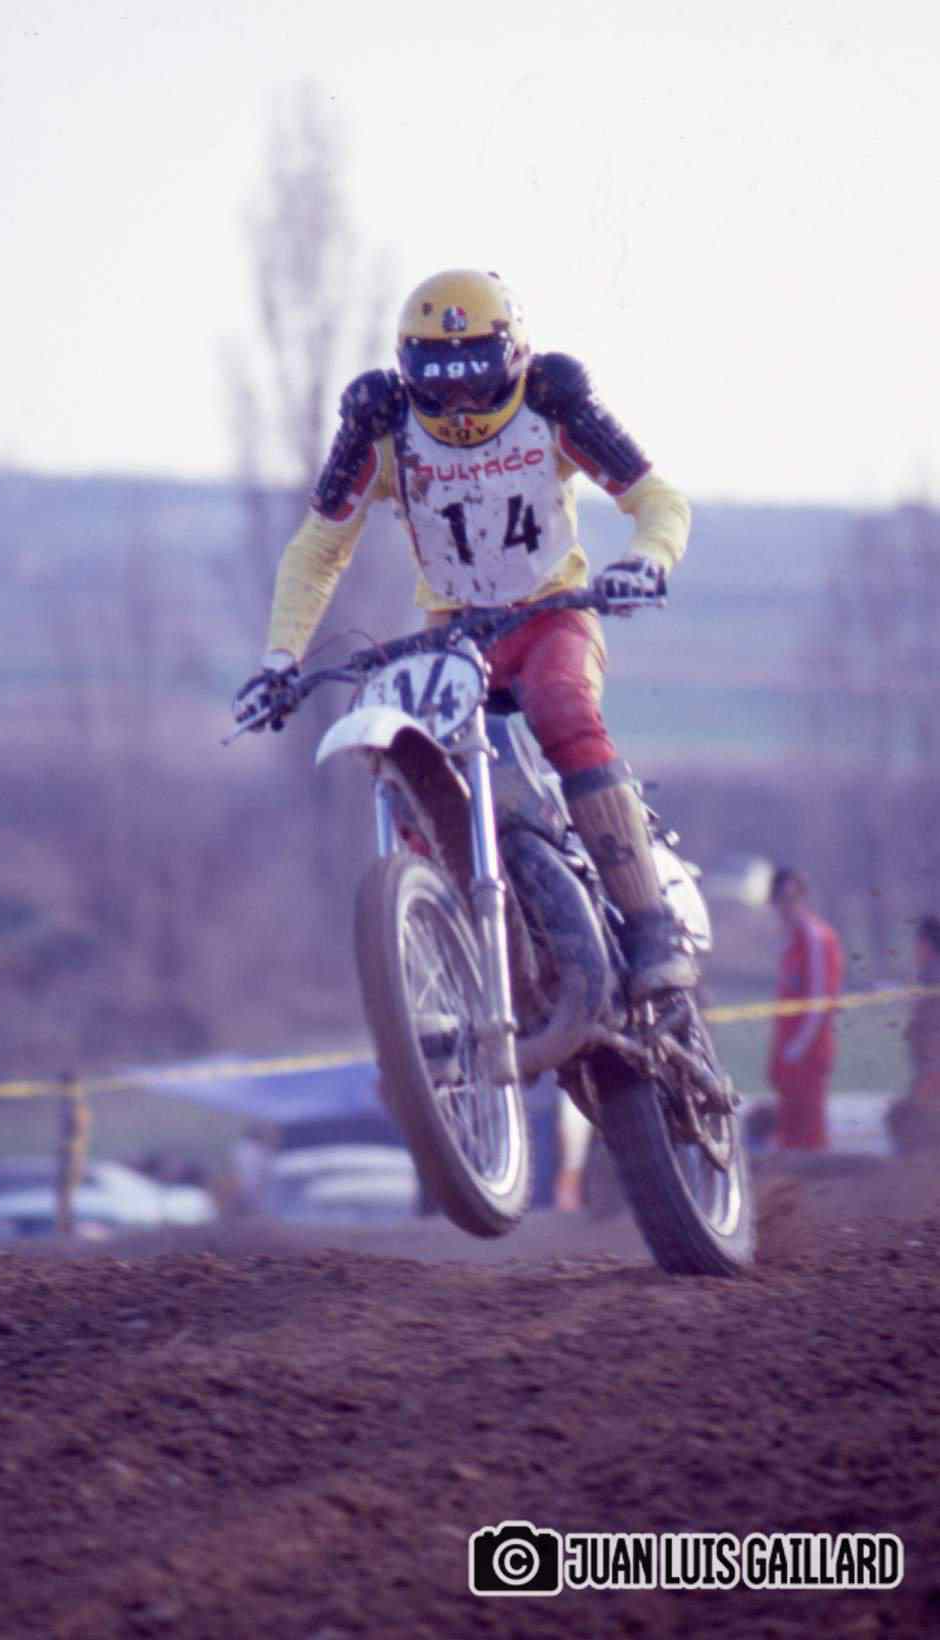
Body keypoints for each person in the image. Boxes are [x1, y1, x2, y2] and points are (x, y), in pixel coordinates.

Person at [238, 268, 694, 998]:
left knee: (563, 708)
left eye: (474, 377)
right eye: (436, 379)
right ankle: (451, 956)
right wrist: (279, 659)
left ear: (513, 359)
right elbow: (319, 547)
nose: (457, 403)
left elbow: (656, 497)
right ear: (405, 369)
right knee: (413, 769)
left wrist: (647, 560)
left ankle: (650, 926)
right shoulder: (381, 425)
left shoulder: (552, 401)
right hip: (454, 634)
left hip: (551, 613)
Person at [767, 867, 844, 1150]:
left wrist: (796, 1051)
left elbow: (821, 1002)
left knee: (811, 1139)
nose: (787, 907)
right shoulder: (789, 944)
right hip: (789, 1058)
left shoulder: (816, 939)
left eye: (793, 898)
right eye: (781, 900)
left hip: (808, 1057)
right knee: (788, 1139)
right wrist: (779, 1055)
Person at [888, 914, 940, 1153]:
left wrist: (929, 1074)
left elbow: (931, 1028)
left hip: (932, 1074)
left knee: (909, 1123)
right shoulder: (927, 978)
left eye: (917, 944)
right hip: (927, 1072)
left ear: (926, 945)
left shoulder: (933, 980)